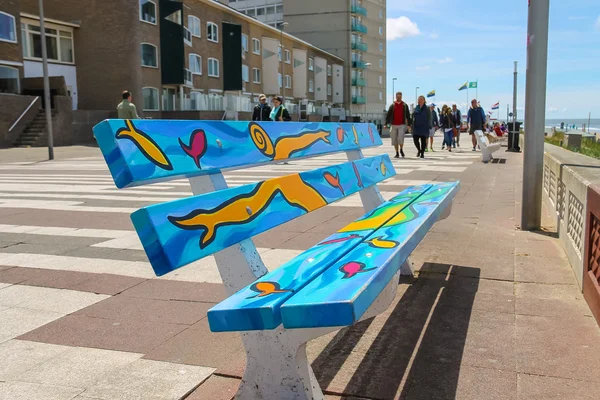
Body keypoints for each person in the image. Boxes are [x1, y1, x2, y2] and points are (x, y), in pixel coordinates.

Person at [385, 92, 412, 158]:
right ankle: (397, 152)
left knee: (401, 138)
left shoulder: (404, 105)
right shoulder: (393, 105)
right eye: (397, 96)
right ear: (396, 97)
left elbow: (408, 115)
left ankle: (401, 149)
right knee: (394, 140)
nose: (398, 97)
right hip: (393, 125)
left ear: (401, 97)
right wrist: (386, 124)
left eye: (400, 96)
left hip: (402, 125)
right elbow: (388, 115)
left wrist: (409, 124)